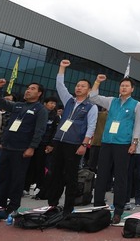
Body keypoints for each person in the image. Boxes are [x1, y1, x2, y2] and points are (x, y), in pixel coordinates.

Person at [45, 60, 98, 214]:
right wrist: (62, 67)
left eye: (82, 86)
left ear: (88, 90)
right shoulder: (68, 100)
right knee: (55, 174)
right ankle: (53, 205)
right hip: (59, 142)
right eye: (77, 85)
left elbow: (91, 126)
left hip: (74, 144)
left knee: (71, 176)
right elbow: (60, 85)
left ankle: (69, 207)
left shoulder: (91, 106)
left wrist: (84, 144)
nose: (78, 88)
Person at [89, 75, 140, 225]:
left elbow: (137, 125)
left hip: (123, 144)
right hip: (106, 143)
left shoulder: (136, 105)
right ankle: (98, 207)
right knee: (101, 176)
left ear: (132, 89)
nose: (123, 88)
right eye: (122, 85)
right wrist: (97, 81)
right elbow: (92, 97)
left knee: (120, 177)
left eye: (127, 86)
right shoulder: (111, 101)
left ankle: (118, 210)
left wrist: (134, 143)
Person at [0, 79, 48, 214]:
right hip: (7, 147)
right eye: (28, 88)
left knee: (17, 180)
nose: (28, 90)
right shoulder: (18, 105)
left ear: (39, 93)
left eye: (33, 88)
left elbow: (39, 130)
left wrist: (32, 147)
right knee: (3, 177)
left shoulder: (40, 110)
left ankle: (13, 206)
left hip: (22, 150)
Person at [28, 95, 59, 199]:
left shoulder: (55, 117)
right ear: (45, 103)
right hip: (32, 143)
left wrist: (51, 144)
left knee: (41, 166)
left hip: (44, 144)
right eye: (51, 103)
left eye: (54, 104)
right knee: (29, 165)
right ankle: (27, 185)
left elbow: (55, 132)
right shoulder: (38, 112)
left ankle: (39, 186)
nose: (52, 105)